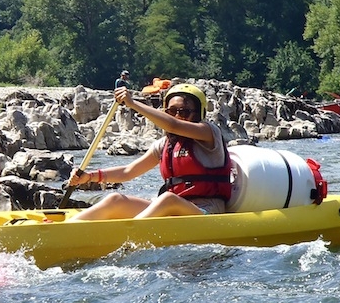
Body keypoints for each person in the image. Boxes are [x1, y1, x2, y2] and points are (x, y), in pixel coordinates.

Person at [68, 83, 231, 221]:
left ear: (199, 114)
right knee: (115, 199)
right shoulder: (165, 145)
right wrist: (89, 177)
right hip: (173, 209)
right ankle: (68, 229)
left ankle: (127, 236)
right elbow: (127, 171)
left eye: (184, 112)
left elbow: (173, 125)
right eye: (171, 111)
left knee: (168, 199)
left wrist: (132, 103)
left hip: (207, 212)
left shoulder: (209, 133)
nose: (177, 116)